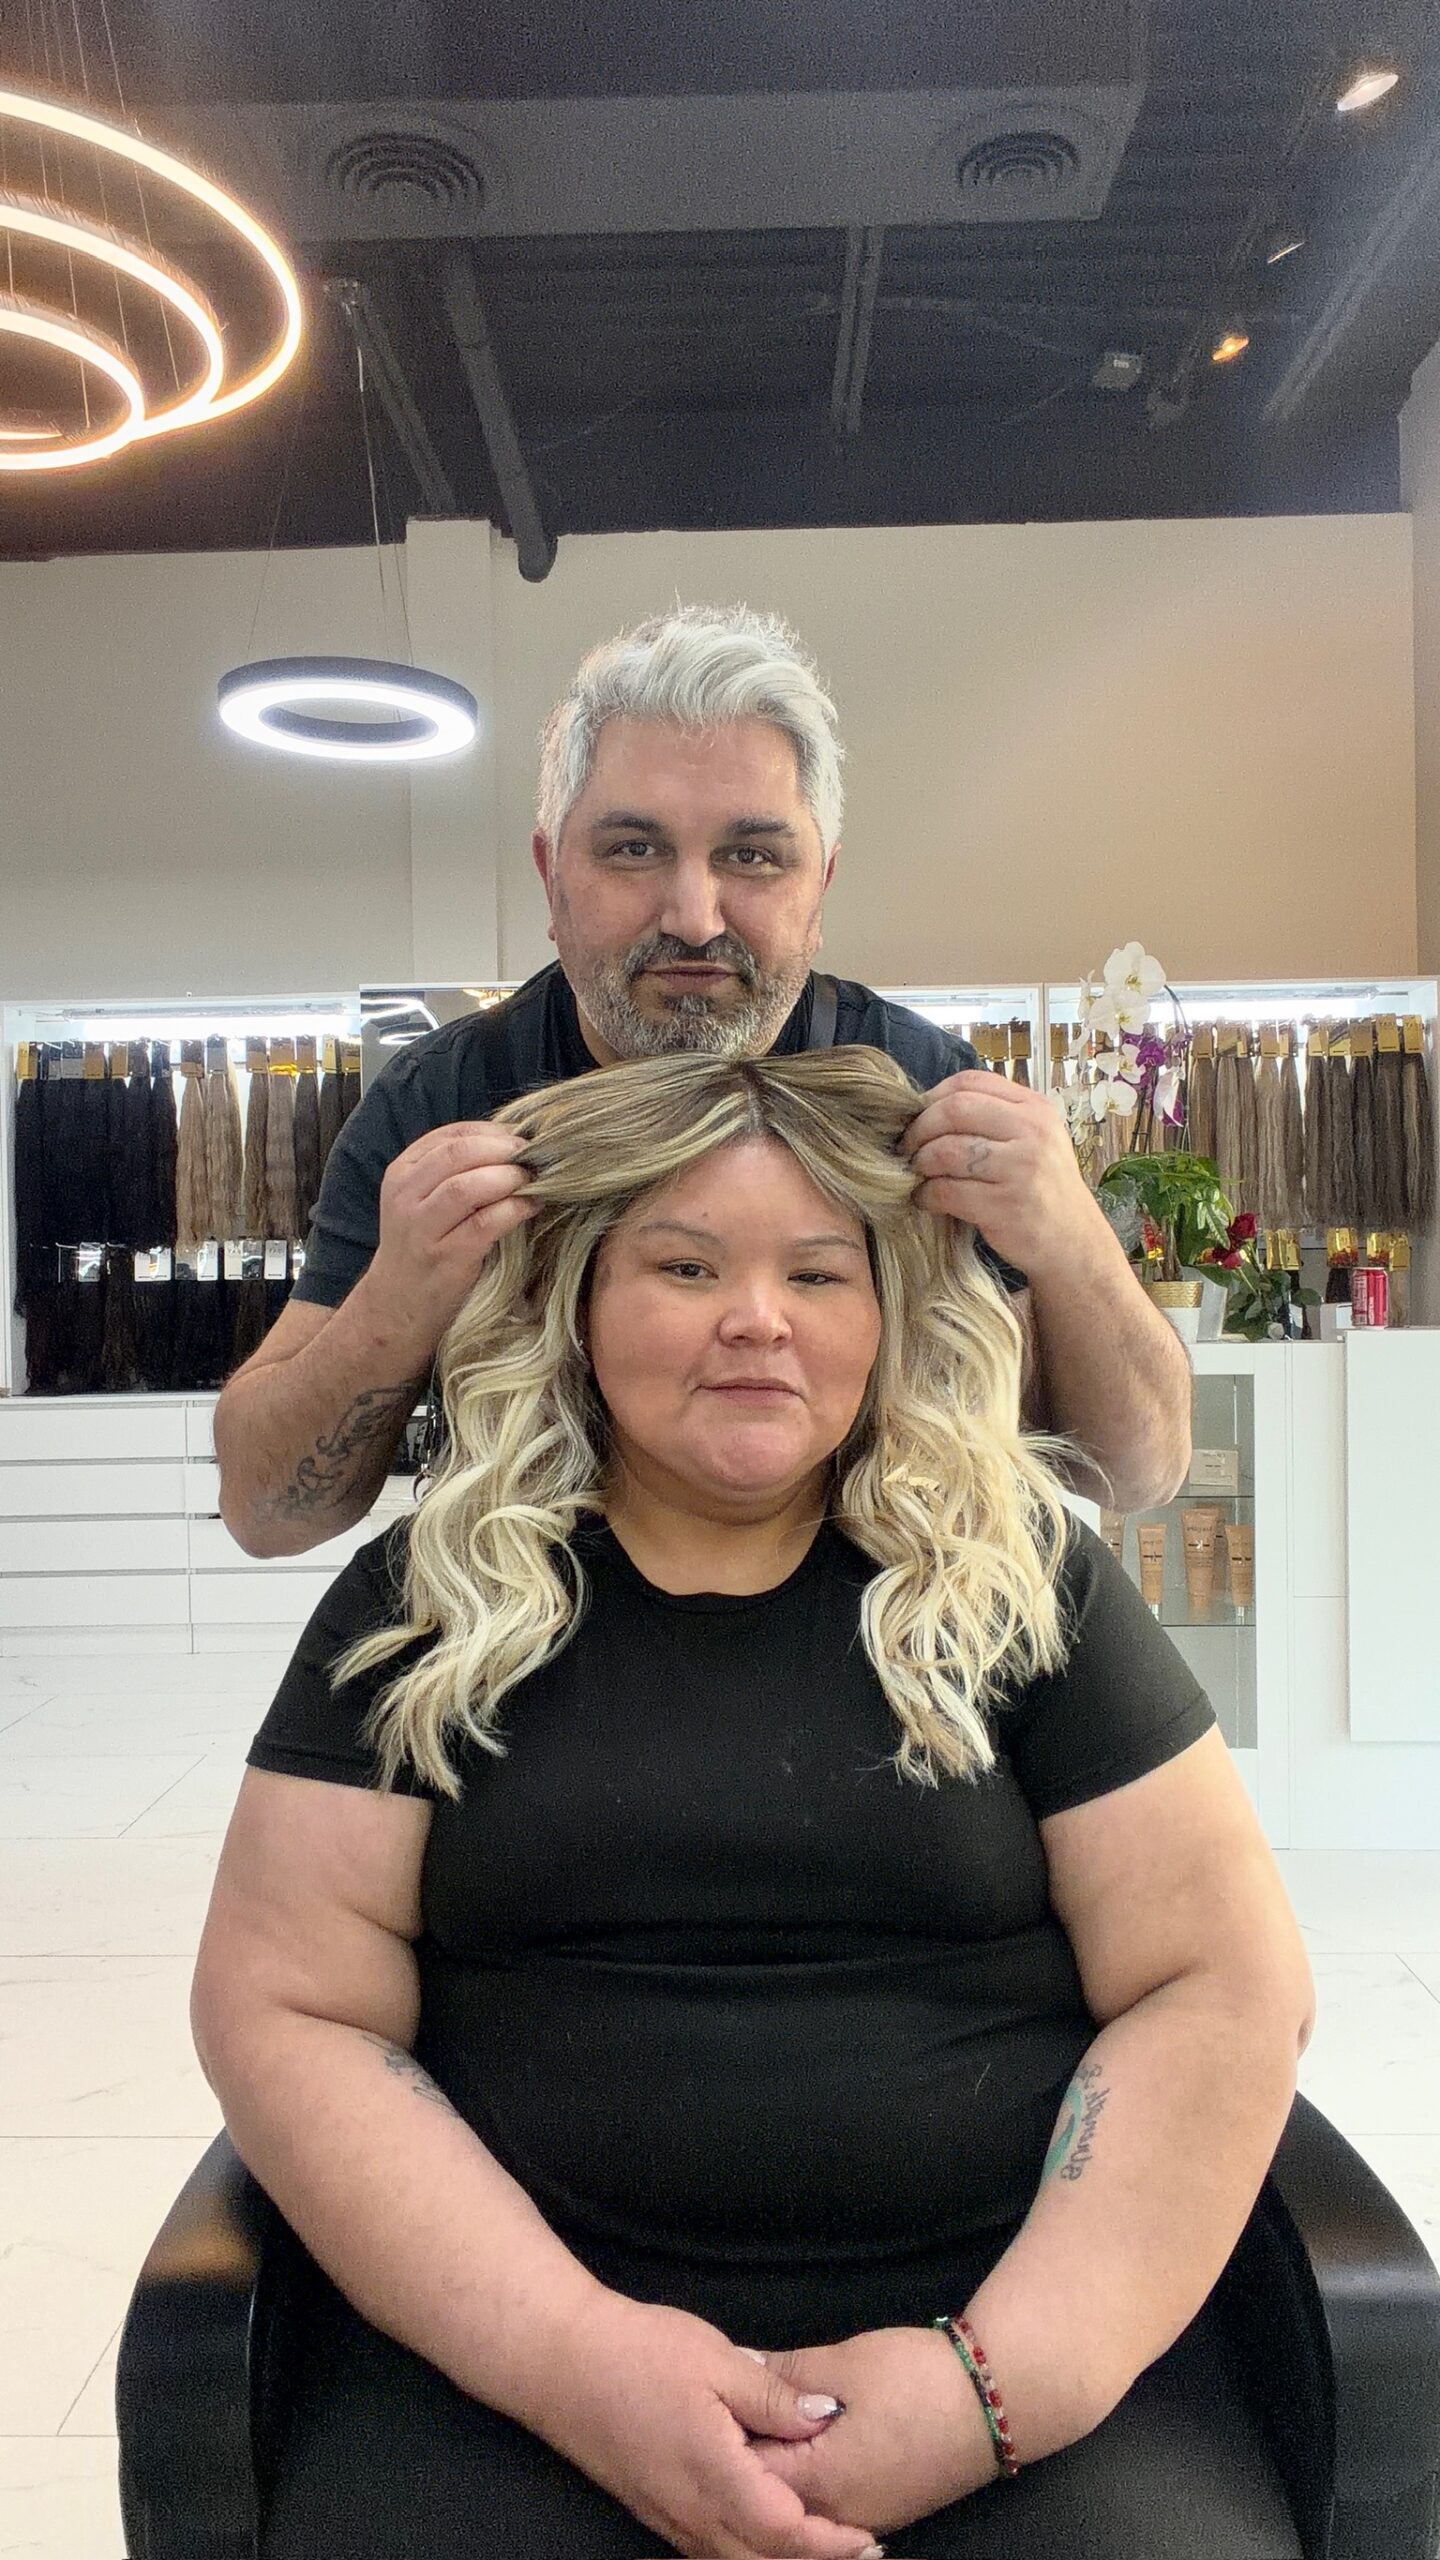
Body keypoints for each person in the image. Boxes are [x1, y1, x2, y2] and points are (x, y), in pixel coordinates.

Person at [191, 1046, 1314, 2560]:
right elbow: (289, 2005)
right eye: (685, 1265)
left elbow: (1221, 1982)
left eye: (819, 1273)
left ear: (889, 1311)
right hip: (511, 2365)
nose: (758, 1319)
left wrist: (992, 2388)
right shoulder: (427, 1606)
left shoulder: (1021, 1585)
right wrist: (575, 2360)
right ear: (578, 1304)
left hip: (1000, 2335)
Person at [213, 605, 1192, 1561]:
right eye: (634, 850)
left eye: (751, 856)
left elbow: (1136, 1474)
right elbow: (267, 1515)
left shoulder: (924, 1096)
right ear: (552, 877)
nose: (693, 915)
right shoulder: (444, 1100)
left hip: (885, 1642)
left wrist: (1073, 1246)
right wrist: (394, 1303)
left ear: (820, 886)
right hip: (529, 1637)